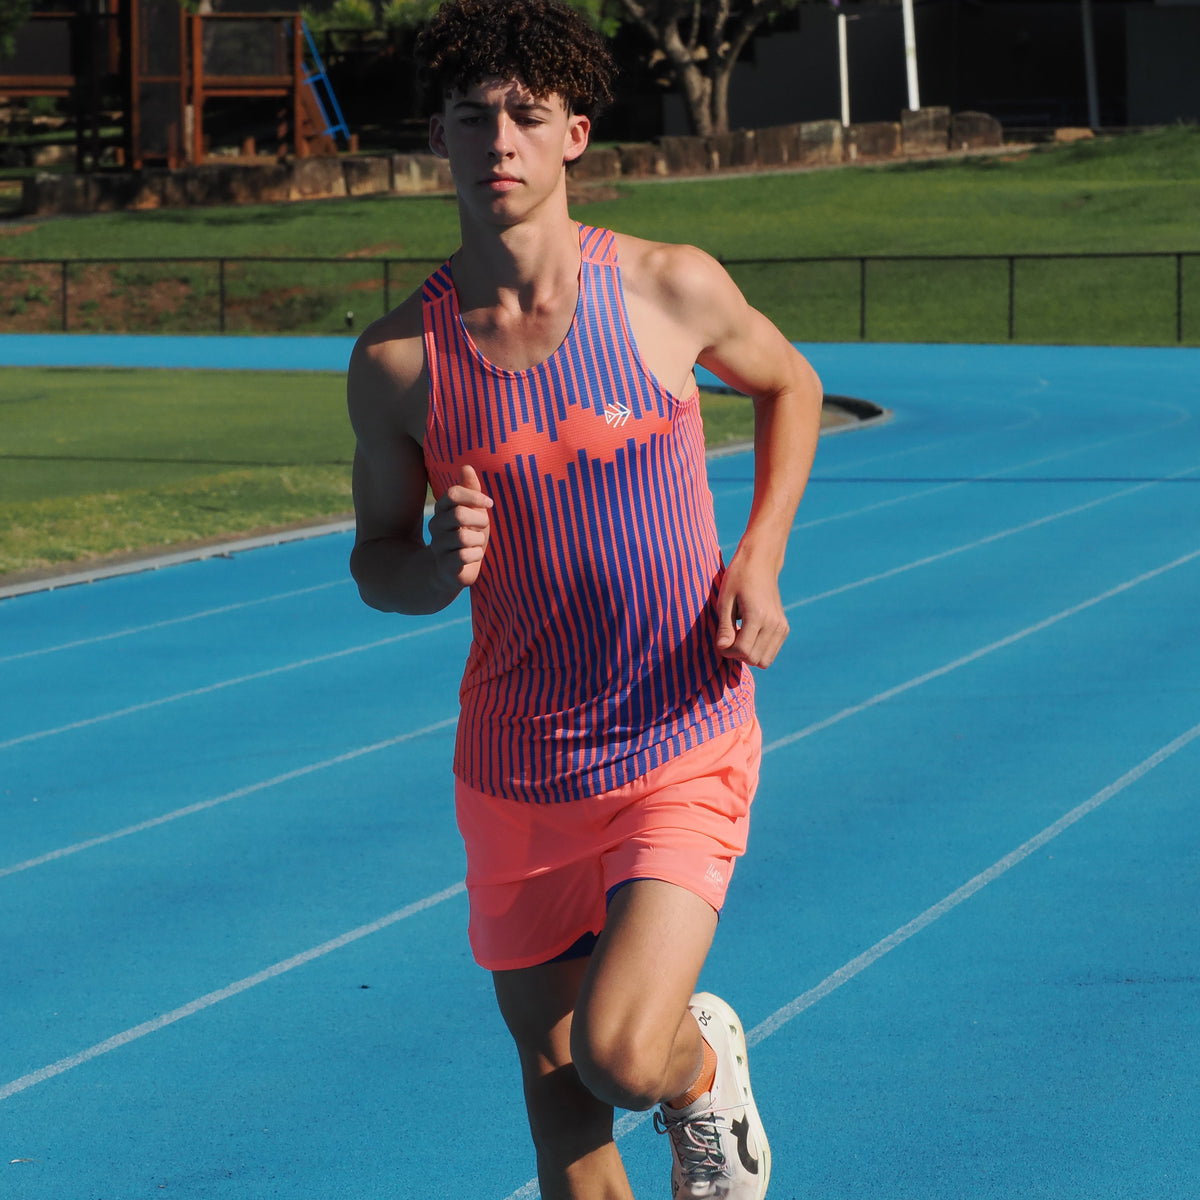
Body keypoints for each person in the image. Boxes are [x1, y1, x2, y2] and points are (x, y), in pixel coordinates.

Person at [346, 1, 822, 1195]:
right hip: (515, 770)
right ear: (441, 143)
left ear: (574, 136)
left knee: (620, 1054)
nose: (497, 140)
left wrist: (757, 553)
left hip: (680, 736)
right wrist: (433, 565)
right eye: (472, 118)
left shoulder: (666, 290)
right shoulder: (399, 363)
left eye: (526, 116)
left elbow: (792, 384)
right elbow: (376, 568)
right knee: (566, 1122)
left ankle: (701, 1071)